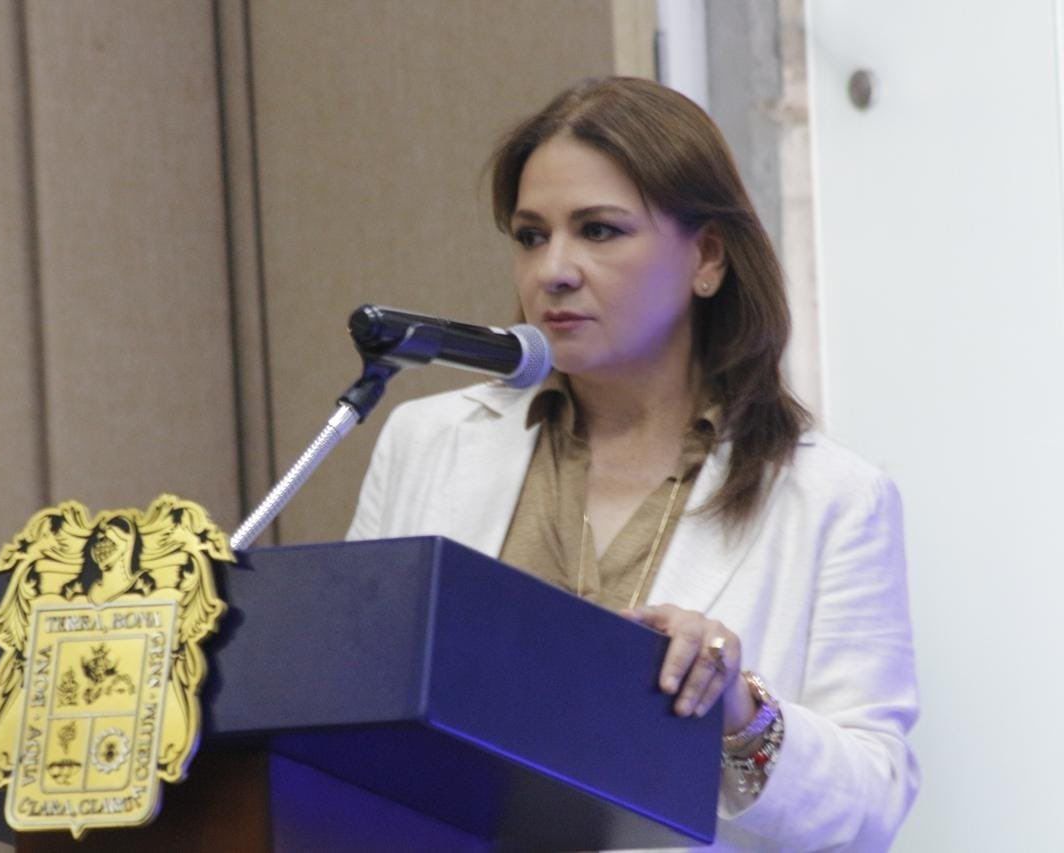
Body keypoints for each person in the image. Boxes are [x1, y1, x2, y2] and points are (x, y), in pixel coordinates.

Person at [347, 77, 918, 851]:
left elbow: (873, 803)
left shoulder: (832, 497)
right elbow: (353, 703)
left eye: (599, 230)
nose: (554, 269)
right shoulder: (425, 441)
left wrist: (739, 709)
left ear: (706, 257)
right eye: (531, 235)